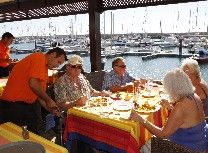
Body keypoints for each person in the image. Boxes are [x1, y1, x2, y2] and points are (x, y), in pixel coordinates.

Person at [130, 69, 208, 152]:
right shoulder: (194, 96)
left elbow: (162, 134)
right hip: (200, 141)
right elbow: (186, 117)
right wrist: (170, 108)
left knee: (146, 143)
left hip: (189, 149)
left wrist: (141, 119)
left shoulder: (180, 106)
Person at [0, 47, 67, 134]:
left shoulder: (44, 69)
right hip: (12, 106)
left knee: (30, 135)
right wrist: (49, 100)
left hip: (25, 107)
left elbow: (39, 94)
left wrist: (50, 109)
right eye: (58, 62)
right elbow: (33, 83)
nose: (58, 66)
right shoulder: (39, 57)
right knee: (15, 138)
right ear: (53, 54)